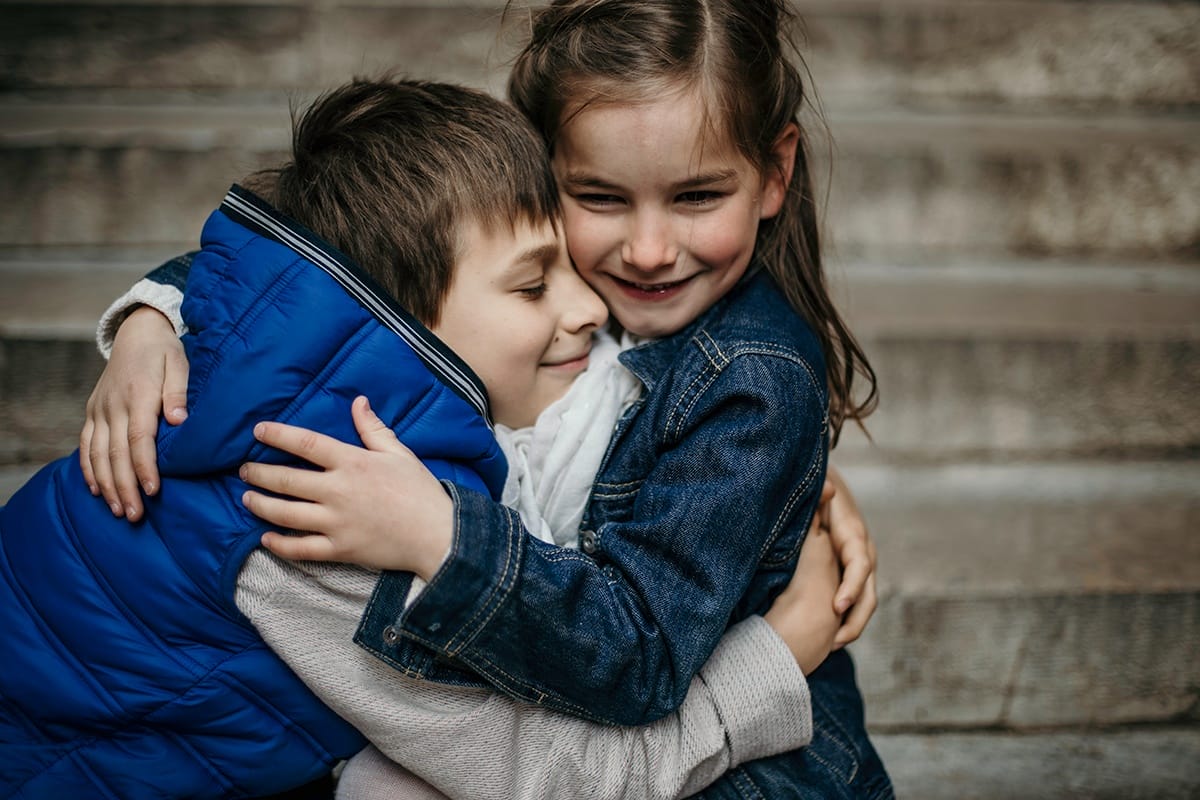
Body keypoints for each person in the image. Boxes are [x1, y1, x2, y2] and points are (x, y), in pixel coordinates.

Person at [1, 78, 842, 799]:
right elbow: (551, 775)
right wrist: (774, 657)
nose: (591, 308)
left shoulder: (309, 392)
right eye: (532, 285)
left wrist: (156, 309)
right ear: (402, 320)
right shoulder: (322, 508)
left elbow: (279, 282)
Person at [239, 1, 896, 796]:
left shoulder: (752, 380)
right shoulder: (573, 292)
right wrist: (156, 316)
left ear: (774, 175)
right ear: (539, 170)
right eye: (600, 197)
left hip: (748, 773)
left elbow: (636, 655)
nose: (648, 252)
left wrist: (445, 539)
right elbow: (341, 255)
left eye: (696, 197)